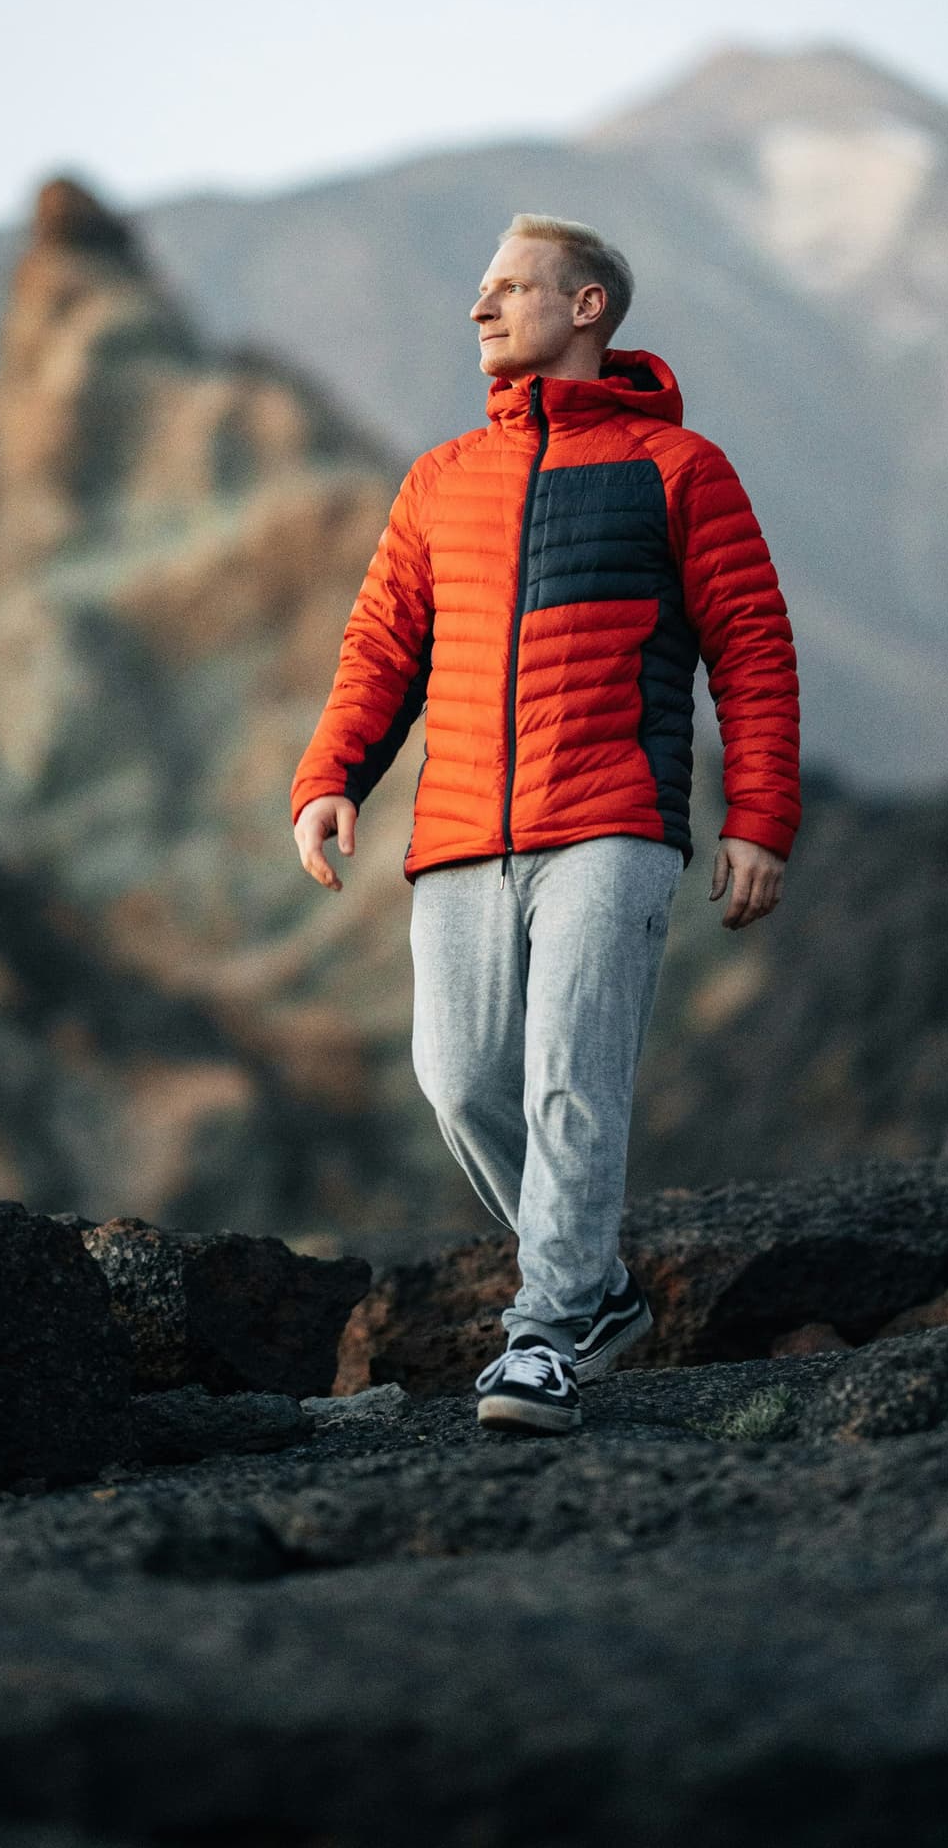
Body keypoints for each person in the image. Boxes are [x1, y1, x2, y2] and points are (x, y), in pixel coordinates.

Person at [291, 213, 800, 1435]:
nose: (480, 307)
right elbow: (381, 646)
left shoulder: (681, 468)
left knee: (571, 1075)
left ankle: (547, 1336)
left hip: (614, 817)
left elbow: (750, 647)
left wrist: (759, 816)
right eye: (480, 289)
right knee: (461, 1079)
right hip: (462, 829)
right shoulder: (440, 479)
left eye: (509, 287)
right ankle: (600, 1290)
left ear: (586, 307)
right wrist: (330, 774)